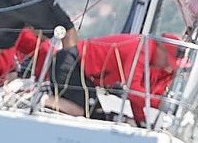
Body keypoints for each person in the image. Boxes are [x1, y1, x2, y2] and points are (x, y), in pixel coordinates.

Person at [46, 33, 183, 125]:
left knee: (96, 116)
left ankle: (42, 99)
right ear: (161, 49)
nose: (166, 66)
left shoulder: (146, 53)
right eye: (167, 60)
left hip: (81, 72)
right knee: (85, 114)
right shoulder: (142, 49)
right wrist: (159, 104)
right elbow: (133, 89)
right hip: (72, 65)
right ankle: (40, 98)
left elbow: (136, 92)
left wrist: (141, 121)